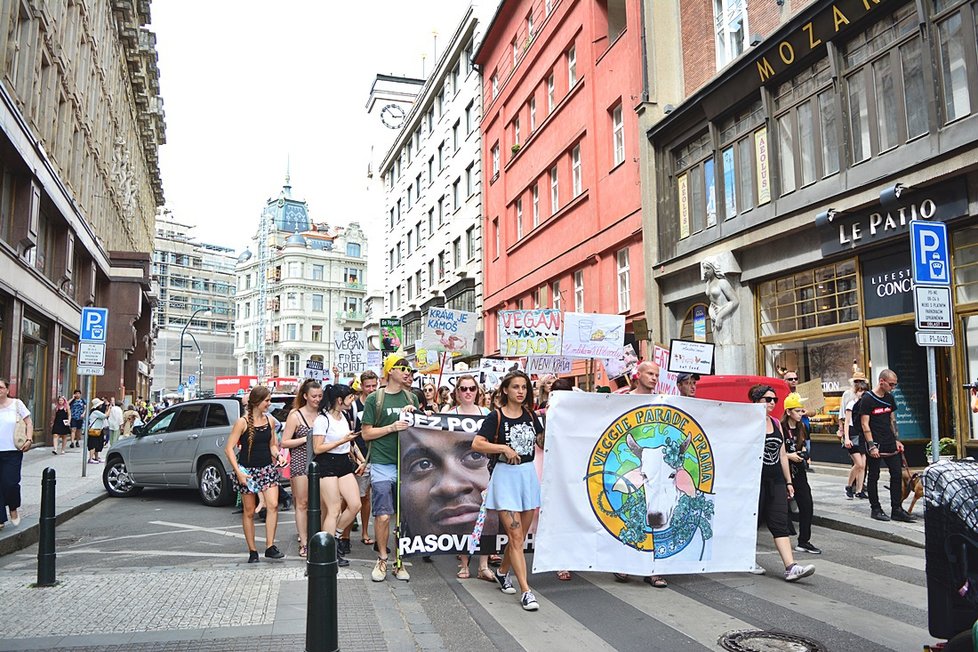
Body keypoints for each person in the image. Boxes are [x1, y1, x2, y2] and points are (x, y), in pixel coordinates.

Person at [472, 371, 544, 611]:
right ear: (505, 390)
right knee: (514, 537)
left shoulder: (532, 416)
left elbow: (543, 441)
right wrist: (503, 447)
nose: (521, 391)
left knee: (520, 537)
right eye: (515, 387)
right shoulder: (496, 416)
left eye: (524, 387)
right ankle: (526, 591)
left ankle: (502, 572)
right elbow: (477, 443)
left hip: (527, 476)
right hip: (505, 477)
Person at [361, 355, 419, 582]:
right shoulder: (375, 399)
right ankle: (382, 559)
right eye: (402, 368)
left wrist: (420, 416)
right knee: (384, 516)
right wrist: (391, 427)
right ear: (390, 371)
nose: (407, 372)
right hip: (382, 464)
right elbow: (366, 433)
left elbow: (418, 430)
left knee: (402, 518)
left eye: (409, 369)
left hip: (406, 466)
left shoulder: (411, 397)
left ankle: (400, 560)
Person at [748, 384, 815, 582]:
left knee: (779, 521)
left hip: (776, 480)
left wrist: (788, 482)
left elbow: (782, 454)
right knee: (753, 521)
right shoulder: (749, 422)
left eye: (774, 399)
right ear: (756, 401)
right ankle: (747, 559)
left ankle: (791, 567)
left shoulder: (776, 423)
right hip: (755, 481)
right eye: (767, 399)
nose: (771, 403)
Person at [613, 361, 669, 588]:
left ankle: (654, 570)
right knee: (629, 513)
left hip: (659, 471)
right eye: (650, 373)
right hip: (629, 464)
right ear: (638, 375)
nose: (654, 378)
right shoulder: (623, 400)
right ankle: (624, 563)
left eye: (657, 374)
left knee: (658, 515)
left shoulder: (664, 401)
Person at [224, 385, 287, 563]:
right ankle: (252, 551)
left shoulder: (270, 421)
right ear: (257, 402)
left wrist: (279, 457)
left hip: (267, 468)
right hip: (247, 471)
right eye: (267, 400)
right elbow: (229, 449)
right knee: (249, 511)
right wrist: (239, 473)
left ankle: (270, 546)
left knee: (273, 505)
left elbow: (272, 445)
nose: (269, 403)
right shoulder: (242, 422)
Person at [439, 375, 493, 582]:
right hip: (458, 473)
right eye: (463, 389)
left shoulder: (486, 414)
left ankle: (483, 565)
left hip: (483, 471)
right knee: (463, 518)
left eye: (472, 388)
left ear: (477, 391)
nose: (468, 392)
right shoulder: (449, 414)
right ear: (457, 392)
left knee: (486, 518)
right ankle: (463, 563)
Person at [312, 383, 365, 568]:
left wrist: (360, 459)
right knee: (333, 509)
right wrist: (341, 441)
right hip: (327, 463)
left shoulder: (344, 416)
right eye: (350, 397)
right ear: (339, 400)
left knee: (355, 504)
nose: (353, 400)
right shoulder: (322, 419)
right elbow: (317, 448)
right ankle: (329, 549)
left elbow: (351, 441)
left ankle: (335, 536)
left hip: (343, 461)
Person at [860, 369, 915, 523]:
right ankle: (875, 508)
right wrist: (871, 445)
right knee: (874, 475)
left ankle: (896, 509)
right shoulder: (868, 399)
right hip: (875, 442)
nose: (893, 387)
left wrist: (896, 439)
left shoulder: (890, 398)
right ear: (881, 381)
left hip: (889, 441)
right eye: (891, 384)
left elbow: (892, 420)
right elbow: (865, 423)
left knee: (897, 474)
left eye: (895, 385)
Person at [281, 379, 321, 558]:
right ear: (305, 396)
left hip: (321, 462)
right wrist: (307, 439)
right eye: (314, 396)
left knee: (321, 503)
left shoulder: (323, 414)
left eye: (320, 396)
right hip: (300, 462)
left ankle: (318, 538)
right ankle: (304, 542)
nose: (317, 399)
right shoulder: (295, 415)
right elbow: (284, 441)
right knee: (302, 503)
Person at [781, 395, 820, 555]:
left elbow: (804, 446)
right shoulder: (781, 427)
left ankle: (804, 541)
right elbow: (778, 451)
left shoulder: (801, 427)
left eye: (801, 411)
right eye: (797, 411)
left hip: (799, 471)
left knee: (807, 505)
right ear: (788, 411)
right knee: (778, 507)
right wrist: (789, 456)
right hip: (783, 471)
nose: (801, 414)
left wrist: (803, 454)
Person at [344, 371, 378, 549]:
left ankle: (365, 532)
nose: (371, 389)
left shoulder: (380, 403)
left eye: (374, 385)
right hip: (360, 458)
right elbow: (350, 435)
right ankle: (345, 536)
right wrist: (358, 459)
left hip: (378, 457)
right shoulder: (354, 406)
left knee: (369, 499)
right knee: (355, 499)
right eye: (368, 386)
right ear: (361, 386)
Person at [0, 378, 33, 529]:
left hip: (13, 451)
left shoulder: (17, 404)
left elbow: (29, 422)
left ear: (7, 390)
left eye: (1, 387)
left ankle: (13, 508)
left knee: (10, 484)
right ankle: (0, 518)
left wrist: (29, 439)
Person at [842, 375, 869, 500]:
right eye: (860, 391)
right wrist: (846, 438)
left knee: (863, 464)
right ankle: (848, 486)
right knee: (858, 463)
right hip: (853, 433)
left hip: (862, 434)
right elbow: (847, 422)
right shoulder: (851, 404)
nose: (862, 394)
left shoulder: (865, 405)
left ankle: (859, 490)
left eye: (864, 391)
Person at [87, 398, 107, 464]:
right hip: (94, 430)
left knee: (98, 444)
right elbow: (105, 416)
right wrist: (109, 409)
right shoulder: (95, 412)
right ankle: (90, 458)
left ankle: (96, 457)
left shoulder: (97, 412)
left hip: (99, 430)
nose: (101, 406)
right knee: (93, 444)